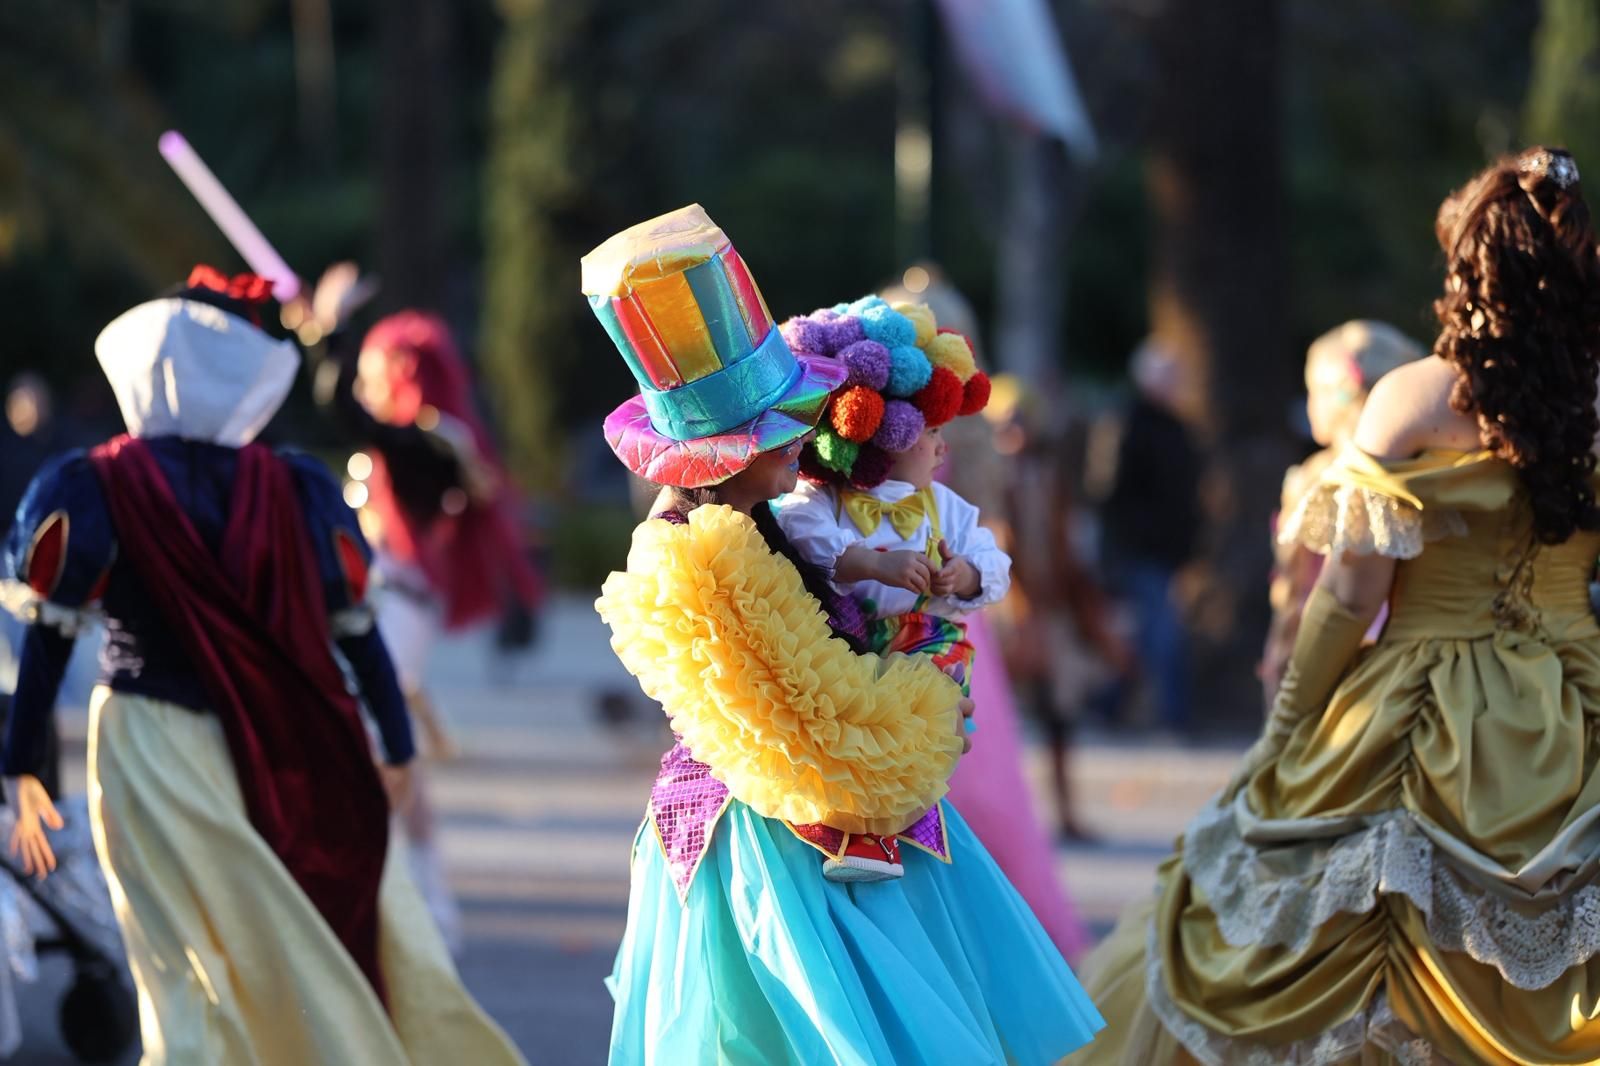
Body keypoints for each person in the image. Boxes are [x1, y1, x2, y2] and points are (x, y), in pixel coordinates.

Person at [1077, 146, 1600, 1065]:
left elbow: (1350, 592)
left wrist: (1290, 727)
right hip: (1572, 704)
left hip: (1418, 711)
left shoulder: (1414, 400)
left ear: (1470, 267)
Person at [585, 204, 1103, 1065]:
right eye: (776, 426)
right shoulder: (703, 550)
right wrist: (921, 701)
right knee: (806, 1031)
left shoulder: (763, 520)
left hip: (818, 810)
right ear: (721, 451)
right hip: (774, 831)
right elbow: (792, 720)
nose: (800, 438)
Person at [1, 267, 525, 1065]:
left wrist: (21, 766)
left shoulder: (92, 484)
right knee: (275, 937)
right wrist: (394, 741)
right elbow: (359, 639)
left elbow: (47, 639)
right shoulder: (296, 486)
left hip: (145, 747)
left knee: (177, 953)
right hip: (271, 739)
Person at [305, 271, 543, 954]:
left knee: (379, 760)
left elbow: (339, 404)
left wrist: (333, 331)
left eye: (379, 369)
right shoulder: (433, 442)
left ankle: (382, 897)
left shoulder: (422, 444)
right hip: (390, 610)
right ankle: (424, 899)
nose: (368, 381)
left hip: (395, 610)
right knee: (389, 756)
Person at [774, 295, 1006, 881]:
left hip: (927, 639)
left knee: (912, 725)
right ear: (889, 436)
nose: (940, 446)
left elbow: (991, 558)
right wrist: (876, 566)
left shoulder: (945, 506)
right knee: (860, 735)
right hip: (854, 646)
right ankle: (859, 834)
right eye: (929, 431)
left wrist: (966, 575)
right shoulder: (825, 500)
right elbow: (806, 536)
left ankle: (888, 832)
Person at [1257, 320, 1425, 707]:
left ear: (1338, 395)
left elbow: (1293, 590)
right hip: (1407, 662)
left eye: (1313, 391)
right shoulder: (1422, 473)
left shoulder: (1313, 480)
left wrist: (1279, 662)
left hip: (1329, 656)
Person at [1098, 340, 1203, 733]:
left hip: (1165, 549)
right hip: (1141, 549)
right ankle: (1175, 715)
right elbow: (1111, 491)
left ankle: (1109, 704)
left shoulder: (1175, 427)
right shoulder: (1129, 423)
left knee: (1149, 636)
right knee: (1162, 634)